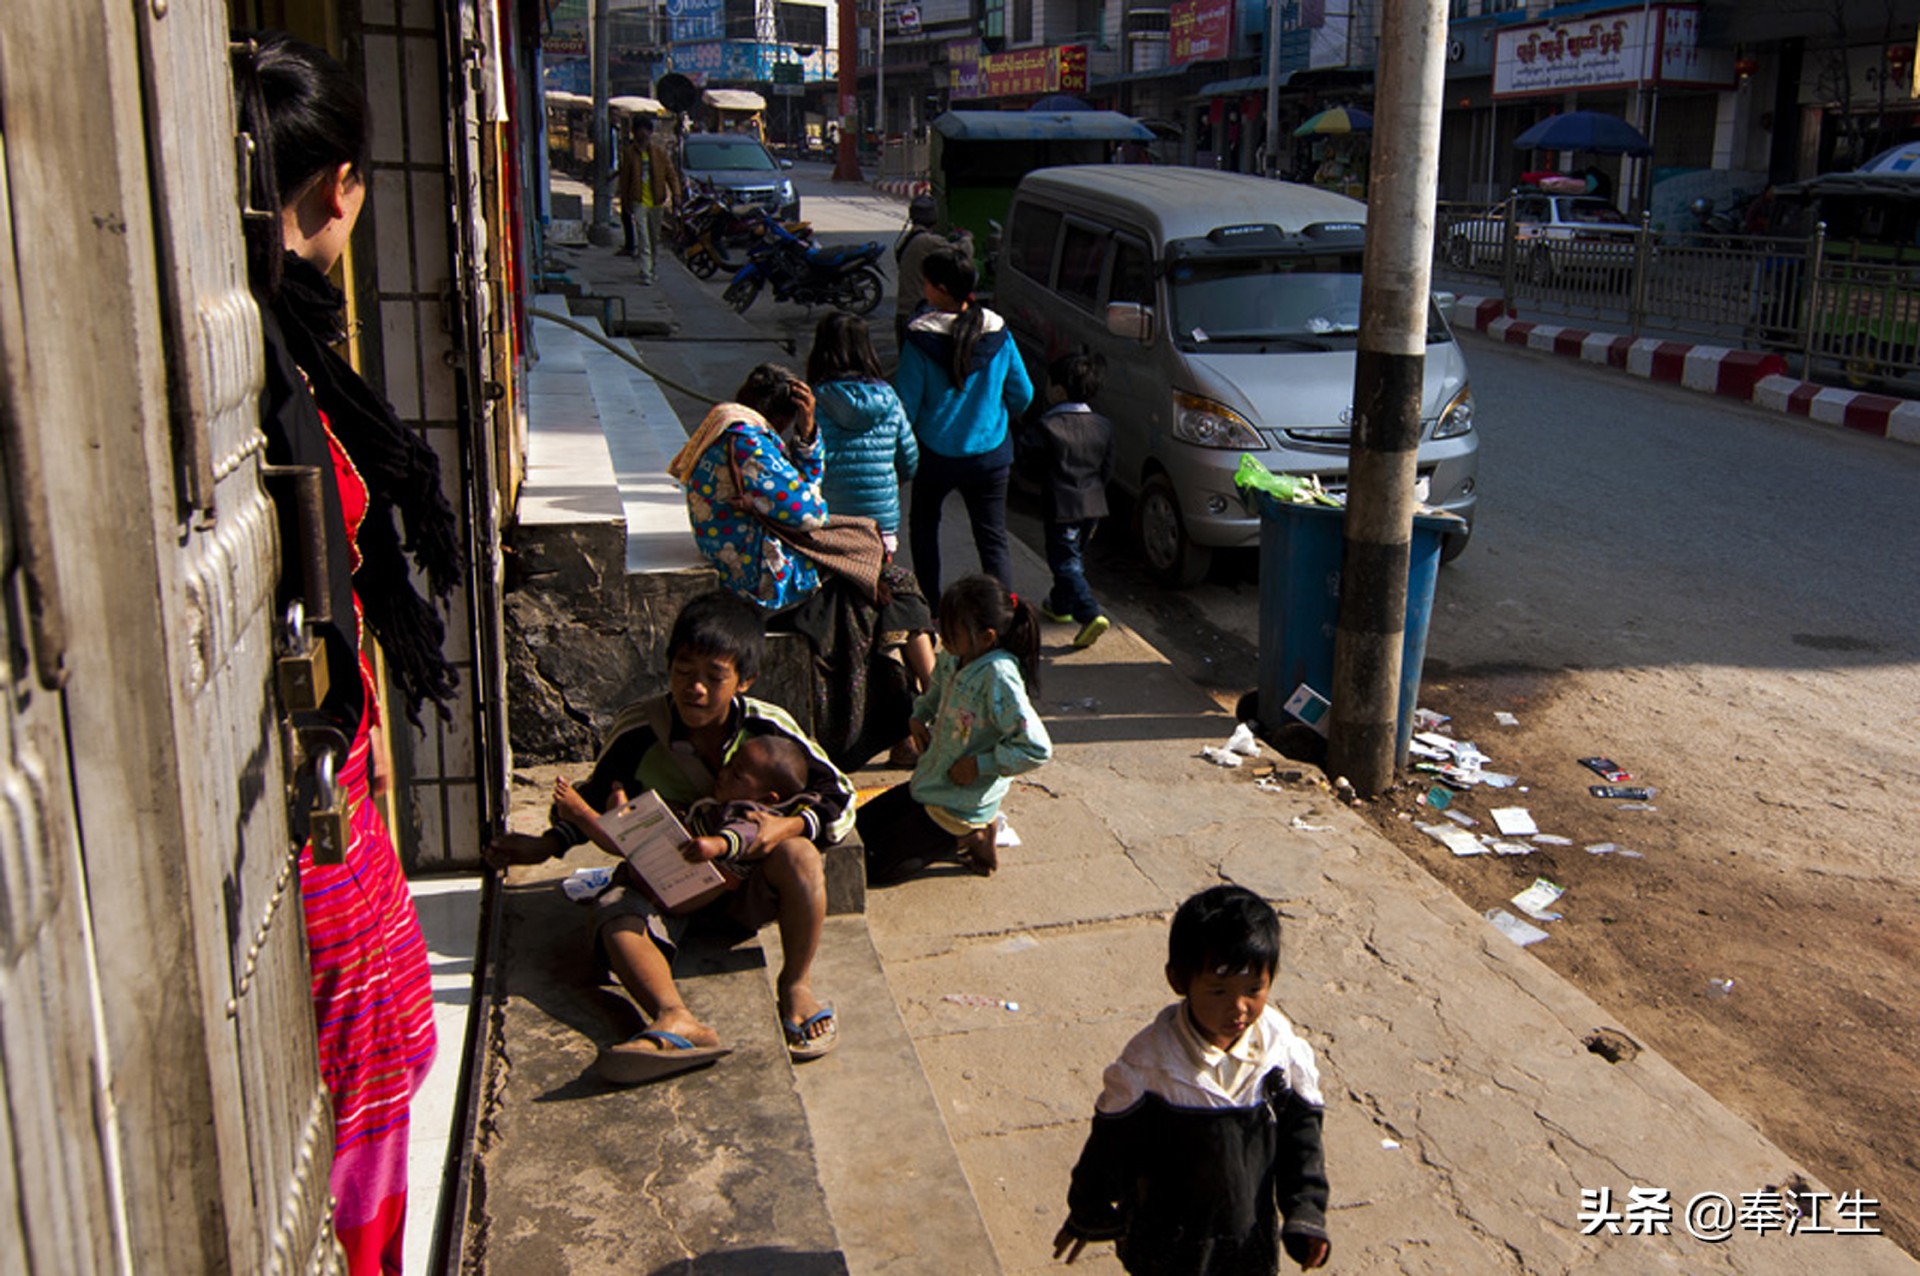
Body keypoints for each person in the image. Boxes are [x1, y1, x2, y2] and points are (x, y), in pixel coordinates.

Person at [236, 30, 463, 1274]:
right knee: (363, 1098)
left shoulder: (274, 338)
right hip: (300, 810)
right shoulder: (266, 360)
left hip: (332, 790)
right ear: (339, 192)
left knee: (392, 1065)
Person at [487, 591, 854, 1079]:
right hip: (666, 884)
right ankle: (674, 1017)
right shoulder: (640, 729)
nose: (695, 688)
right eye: (684, 670)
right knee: (614, 912)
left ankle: (796, 987)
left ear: (744, 681)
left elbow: (841, 793)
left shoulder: (769, 728)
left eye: (713, 676)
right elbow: (596, 794)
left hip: (744, 886)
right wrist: (547, 845)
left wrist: (784, 826)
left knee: (801, 856)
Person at [668, 363, 937, 771]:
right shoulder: (748, 442)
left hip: (756, 556)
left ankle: (919, 714)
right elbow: (811, 510)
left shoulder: (722, 424)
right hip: (767, 576)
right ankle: (925, 707)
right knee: (888, 593)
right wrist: (808, 442)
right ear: (787, 415)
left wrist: (807, 439)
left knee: (887, 590)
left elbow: (798, 496)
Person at [1052, 885, 1330, 1273]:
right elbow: (1110, 1148)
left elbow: (1302, 1143)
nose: (1238, 1007)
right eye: (1217, 990)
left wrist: (1306, 1214)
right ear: (1178, 980)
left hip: (1248, 1241)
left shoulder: (1281, 1054)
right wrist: (1088, 1207)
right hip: (1167, 1246)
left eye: (1254, 989)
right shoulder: (1148, 1067)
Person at [856, 575, 1051, 882]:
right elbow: (934, 690)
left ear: (986, 638)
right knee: (856, 828)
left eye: (951, 632)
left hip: (959, 804)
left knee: (874, 870)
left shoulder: (999, 676)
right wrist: (919, 717)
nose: (941, 638)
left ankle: (969, 837)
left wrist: (980, 765)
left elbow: (1037, 747)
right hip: (932, 781)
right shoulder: (955, 656)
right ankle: (965, 837)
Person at [894, 247, 1034, 602]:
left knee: (924, 528)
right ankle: (1001, 610)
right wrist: (996, 416)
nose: (923, 288)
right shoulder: (997, 331)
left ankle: (932, 606)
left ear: (940, 288)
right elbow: (1023, 393)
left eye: (926, 282)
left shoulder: (920, 338)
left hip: (934, 455)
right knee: (992, 537)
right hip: (990, 454)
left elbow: (905, 406)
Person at [553, 734, 819, 888]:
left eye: (736, 774)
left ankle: (582, 814)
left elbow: (744, 837)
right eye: (729, 765)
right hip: (688, 861)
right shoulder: (723, 804)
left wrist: (716, 844)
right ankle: (621, 817)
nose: (723, 774)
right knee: (638, 834)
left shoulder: (751, 814)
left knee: (629, 843)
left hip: (700, 885)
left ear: (767, 798)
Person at [1019, 351, 1117, 651]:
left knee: (1065, 562)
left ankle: (1089, 614)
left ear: (1058, 390)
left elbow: (1028, 462)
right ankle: (1060, 604)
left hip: (1062, 506)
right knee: (1073, 558)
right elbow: (1108, 468)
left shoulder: (1047, 426)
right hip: (1094, 505)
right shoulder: (1103, 425)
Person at [807, 312, 918, 555]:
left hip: (827, 521)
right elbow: (909, 460)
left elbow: (802, 460)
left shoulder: (813, 402)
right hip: (879, 527)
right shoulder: (889, 398)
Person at [893, 193, 974, 349]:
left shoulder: (911, 238)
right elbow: (961, 253)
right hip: (917, 313)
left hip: (904, 312)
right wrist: (967, 238)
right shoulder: (926, 241)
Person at [618, 114, 680, 284]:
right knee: (643, 238)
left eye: (646, 129)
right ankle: (646, 272)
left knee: (653, 238)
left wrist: (676, 194)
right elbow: (625, 180)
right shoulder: (630, 154)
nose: (643, 133)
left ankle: (651, 267)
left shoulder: (659, 153)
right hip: (638, 201)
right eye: (640, 129)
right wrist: (625, 202)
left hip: (656, 201)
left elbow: (671, 175)